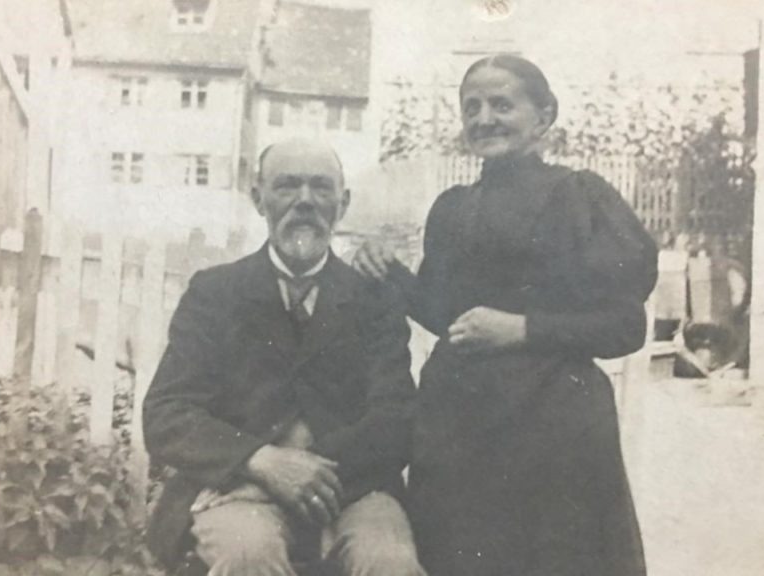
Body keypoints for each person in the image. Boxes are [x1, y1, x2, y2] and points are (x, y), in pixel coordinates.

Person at [354, 55, 658, 576]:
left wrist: (521, 329)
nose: (483, 118)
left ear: (543, 117)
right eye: (471, 107)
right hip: (459, 424)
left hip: (554, 422)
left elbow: (625, 326)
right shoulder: (451, 208)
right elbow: (451, 318)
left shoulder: (580, 197)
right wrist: (390, 275)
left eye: (501, 104)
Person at [142, 139, 425, 576]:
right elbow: (167, 414)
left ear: (343, 203)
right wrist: (260, 463)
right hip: (238, 487)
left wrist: (308, 473)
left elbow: (396, 417)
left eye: (321, 188)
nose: (305, 202)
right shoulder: (216, 294)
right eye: (287, 186)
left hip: (355, 488)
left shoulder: (374, 301)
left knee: (389, 561)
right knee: (246, 555)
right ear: (259, 199)